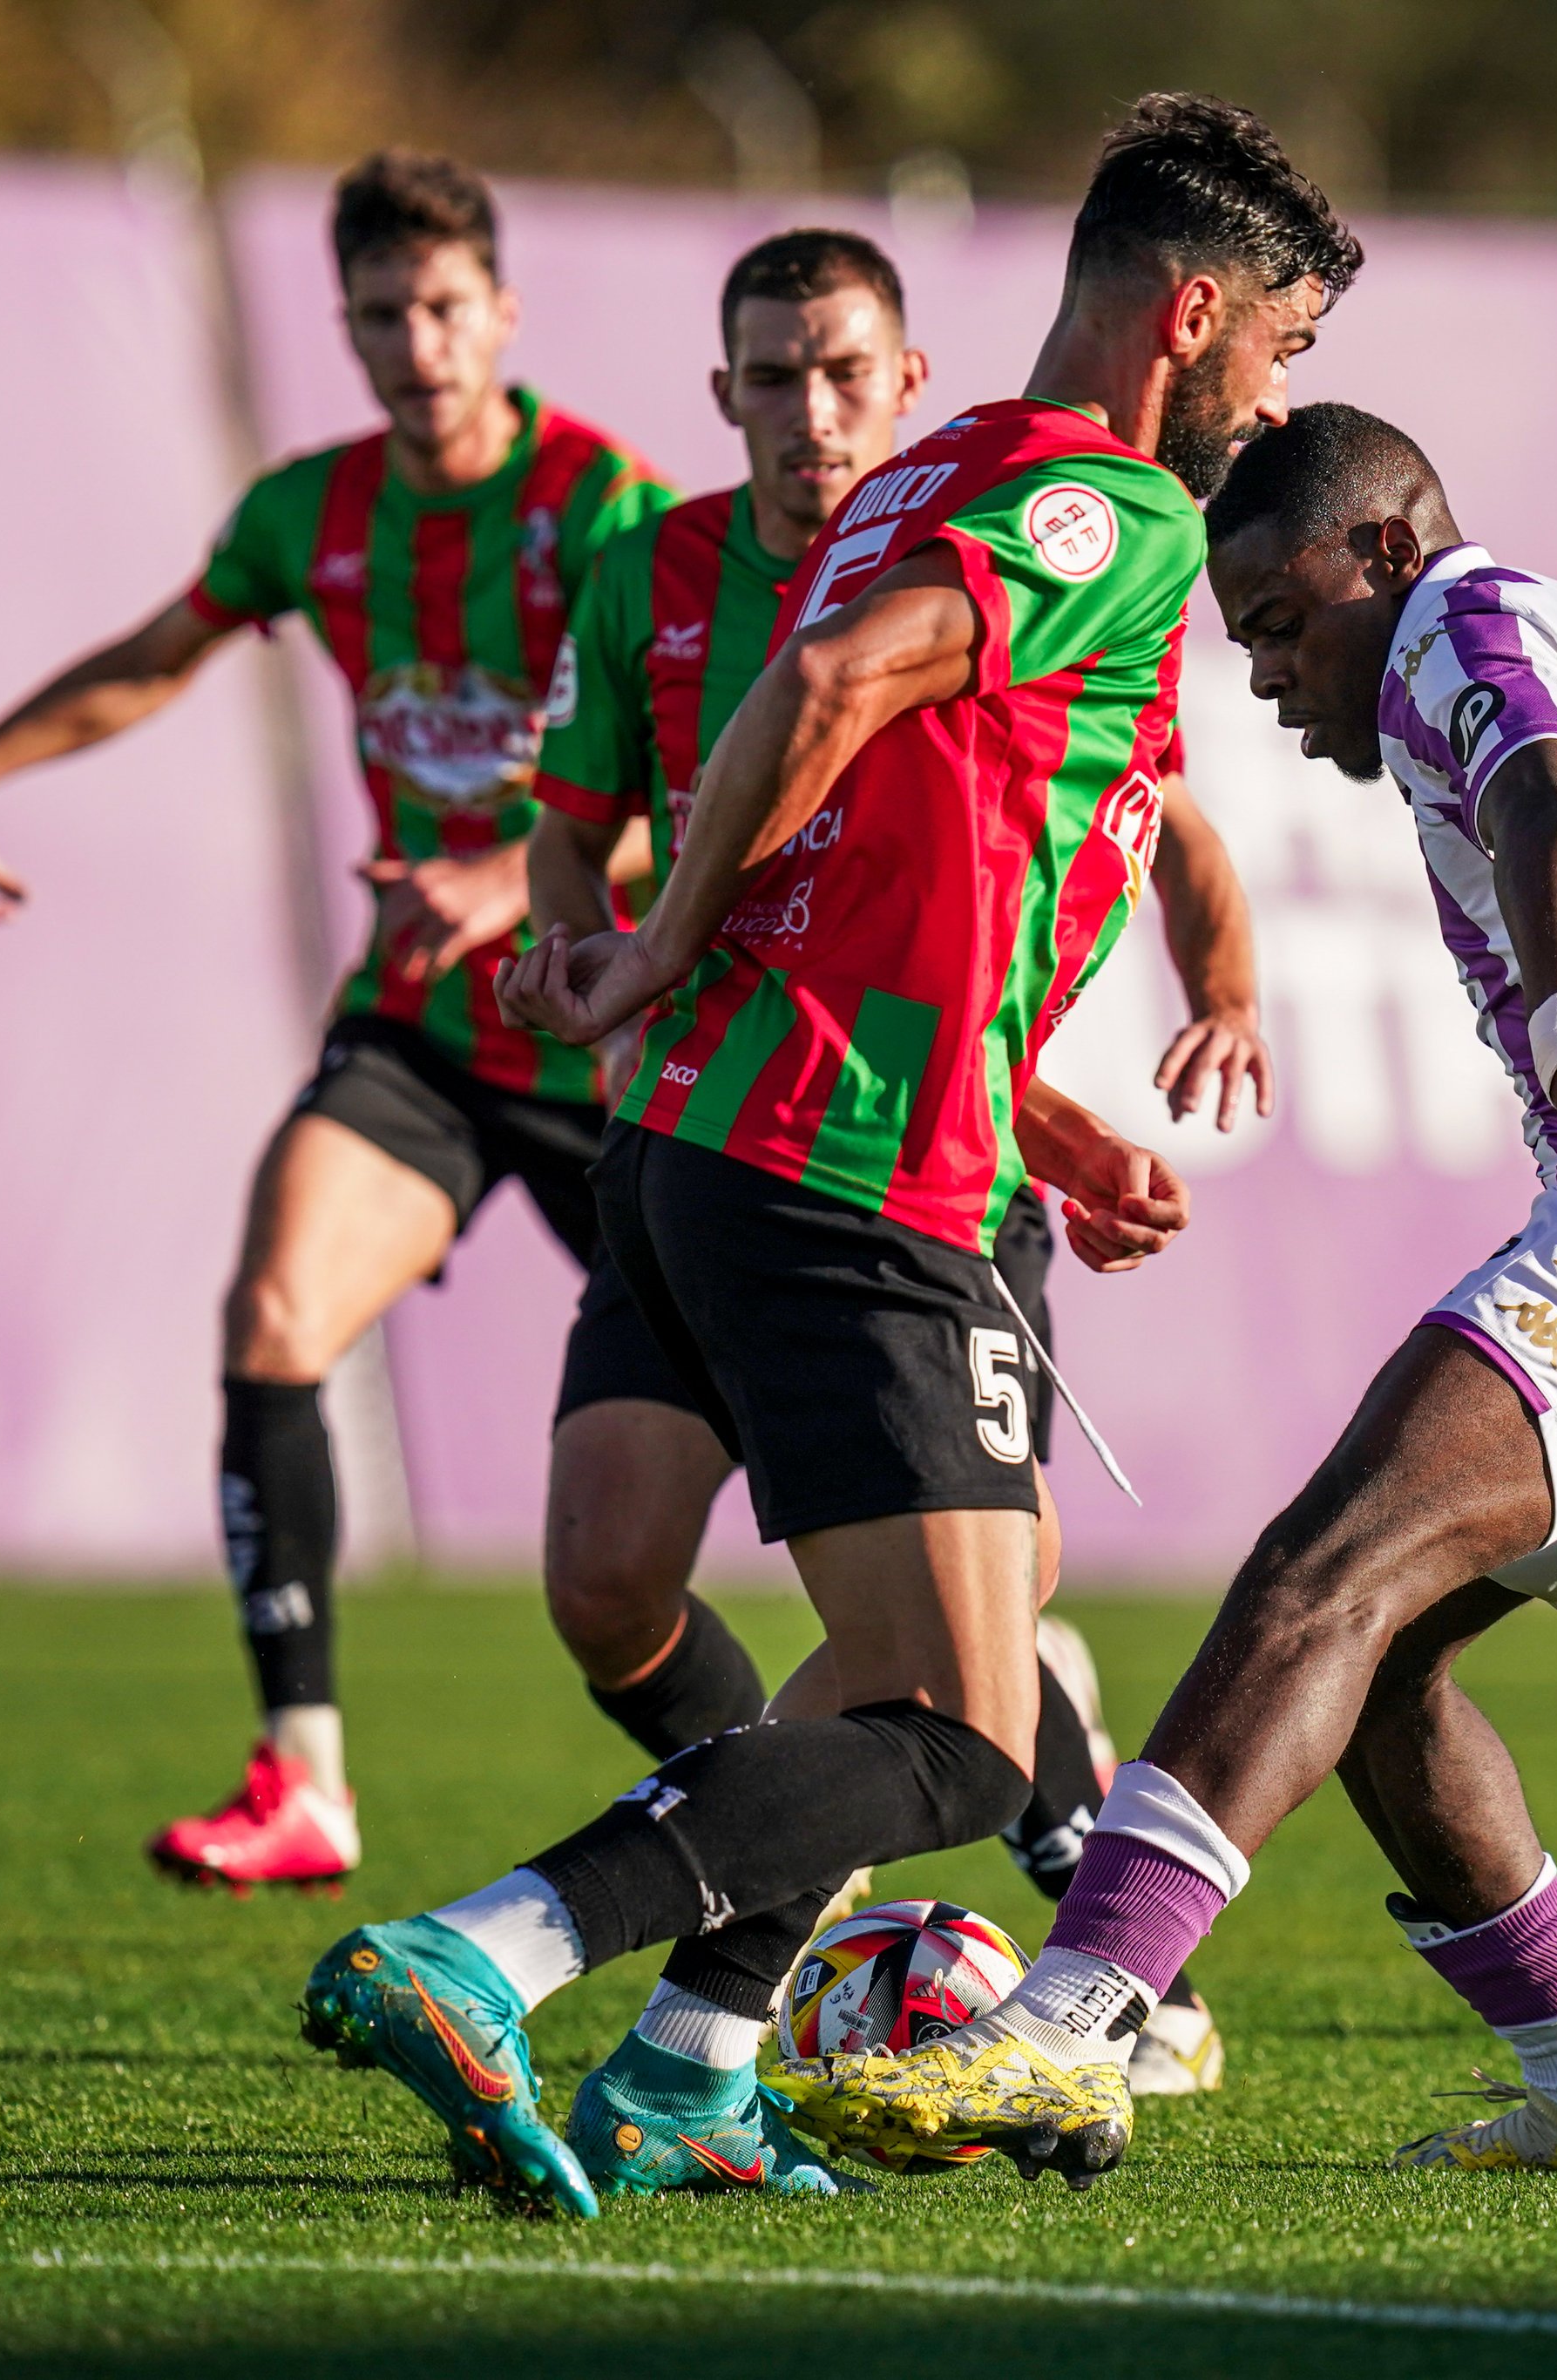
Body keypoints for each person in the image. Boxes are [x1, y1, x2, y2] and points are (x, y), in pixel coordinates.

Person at [293, 95, 1359, 2214]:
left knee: (888, 1668)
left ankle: (689, 2061)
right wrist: (658, 940)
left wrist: (670, 969)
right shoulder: (1109, 509)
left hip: (729, 1145)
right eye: (1282, 345)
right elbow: (838, 680)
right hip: (848, 1165)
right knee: (968, 1730)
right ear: (1197, 312)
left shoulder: (940, 465)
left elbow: (882, 744)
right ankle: (482, 1953)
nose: (1279, 391)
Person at [782, 403, 1557, 2187]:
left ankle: (1067, 2024)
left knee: (1312, 1573)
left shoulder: (1464, 630)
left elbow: (1536, 789)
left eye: (1271, 622)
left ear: (1380, 555)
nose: (1262, 676)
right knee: (1379, 1660)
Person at [525, 225, 1266, 2095]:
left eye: (840, 369)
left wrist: (1081, 1080)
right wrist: (639, 950)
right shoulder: (1051, 519)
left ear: (906, 381)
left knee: (954, 1664)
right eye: (771, 378)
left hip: (873, 1130)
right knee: (840, 1661)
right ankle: (544, 1936)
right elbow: (770, 757)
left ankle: (711, 2023)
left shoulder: (953, 511)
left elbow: (1049, 857)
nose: (809, 412)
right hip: (792, 1143)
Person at [0, 151, 671, 1890]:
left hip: (611, 1034)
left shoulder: (606, 510)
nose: (416, 345)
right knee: (269, 1310)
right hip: (421, 1035)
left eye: (445, 310)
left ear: (504, 314)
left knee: (795, 1455)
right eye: (383, 316)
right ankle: (305, 1775)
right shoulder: (309, 515)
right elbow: (156, 657)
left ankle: (1023, 1743)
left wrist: (510, 870)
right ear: (344, 328)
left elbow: (706, 780)